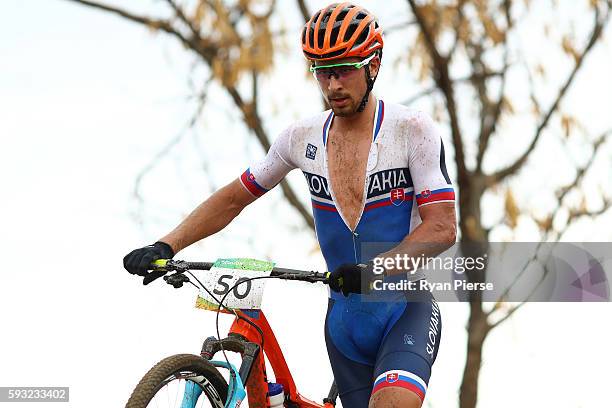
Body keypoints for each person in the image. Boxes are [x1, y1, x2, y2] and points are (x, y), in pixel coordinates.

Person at [124, 3, 457, 407]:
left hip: (404, 309)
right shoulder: (300, 138)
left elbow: (442, 228)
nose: (333, 84)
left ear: (374, 64)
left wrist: (375, 270)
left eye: (345, 69)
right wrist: (166, 246)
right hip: (343, 323)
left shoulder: (411, 130)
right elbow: (234, 197)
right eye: (322, 72)